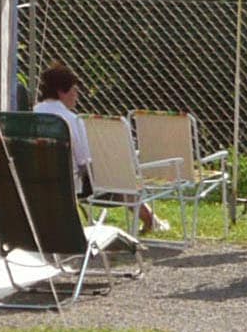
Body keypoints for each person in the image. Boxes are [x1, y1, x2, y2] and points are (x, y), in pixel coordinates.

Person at [34, 63, 161, 233]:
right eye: (74, 90)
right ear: (61, 91)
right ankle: (151, 220)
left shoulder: (32, 114)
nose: (77, 96)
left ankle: (152, 220)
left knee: (112, 175)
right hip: (71, 183)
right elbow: (84, 160)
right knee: (117, 177)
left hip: (37, 179)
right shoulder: (71, 120)